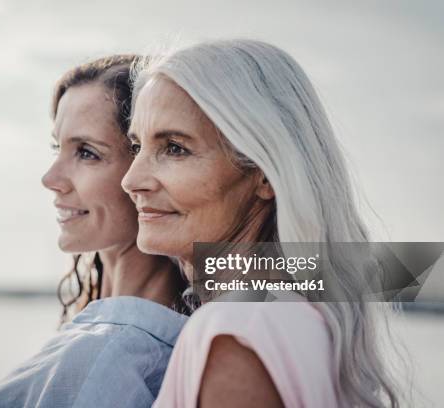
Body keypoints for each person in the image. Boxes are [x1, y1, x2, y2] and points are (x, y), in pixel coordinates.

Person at [122, 40, 401, 407]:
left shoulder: (233, 335)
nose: (131, 180)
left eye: (175, 148)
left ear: (266, 174)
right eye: (136, 146)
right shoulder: (303, 319)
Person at [0, 55, 187, 408]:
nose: (50, 179)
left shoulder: (108, 357)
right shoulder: (121, 339)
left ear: (145, 172)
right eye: (57, 147)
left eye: (86, 153)